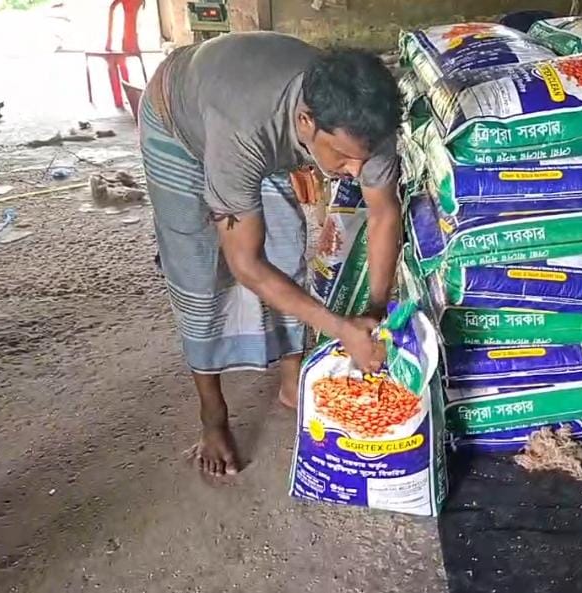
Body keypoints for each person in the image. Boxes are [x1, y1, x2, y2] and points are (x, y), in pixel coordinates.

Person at [140, 33, 403, 477]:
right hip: (178, 120)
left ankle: (292, 381)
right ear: (306, 122)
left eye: (361, 159)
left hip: (255, 119)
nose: (356, 171)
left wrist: (374, 314)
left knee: (286, 247)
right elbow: (245, 265)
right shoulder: (246, 131)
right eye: (342, 157)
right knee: (199, 271)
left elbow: (383, 213)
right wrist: (342, 329)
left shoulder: (364, 124)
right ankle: (212, 417)